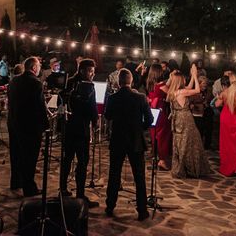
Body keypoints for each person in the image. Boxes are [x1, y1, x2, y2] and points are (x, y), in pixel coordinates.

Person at [104, 68, 153, 221]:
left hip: (118, 139)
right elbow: (150, 120)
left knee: (114, 174)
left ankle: (110, 206)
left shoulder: (113, 98)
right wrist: (140, 128)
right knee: (139, 176)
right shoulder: (140, 98)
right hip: (135, 140)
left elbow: (108, 116)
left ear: (118, 82)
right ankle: (142, 210)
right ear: (130, 81)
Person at [7, 56, 49, 197]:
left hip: (14, 123)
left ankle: (16, 181)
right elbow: (40, 106)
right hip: (30, 125)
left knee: (16, 154)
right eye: (38, 66)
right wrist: (46, 125)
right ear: (34, 68)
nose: (39, 69)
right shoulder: (36, 83)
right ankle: (29, 187)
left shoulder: (14, 81)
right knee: (30, 157)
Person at [60, 58, 99, 206]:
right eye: (91, 71)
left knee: (67, 159)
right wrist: (95, 121)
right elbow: (91, 107)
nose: (92, 75)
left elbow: (61, 100)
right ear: (84, 70)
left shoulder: (68, 81)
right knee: (82, 161)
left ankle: (63, 189)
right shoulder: (88, 86)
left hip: (67, 126)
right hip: (81, 127)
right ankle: (80, 194)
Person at [168, 66, 210, 178]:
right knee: (191, 142)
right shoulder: (182, 92)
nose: (185, 80)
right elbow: (197, 90)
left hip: (177, 120)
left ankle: (182, 166)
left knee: (181, 142)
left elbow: (189, 87)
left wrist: (192, 74)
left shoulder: (174, 91)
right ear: (180, 81)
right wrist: (196, 77)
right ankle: (189, 167)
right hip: (185, 119)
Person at [146, 63, 172, 170]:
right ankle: (162, 160)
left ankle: (155, 159)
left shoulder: (151, 85)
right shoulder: (161, 86)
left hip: (152, 112)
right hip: (160, 113)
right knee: (163, 137)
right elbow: (172, 95)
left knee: (154, 137)